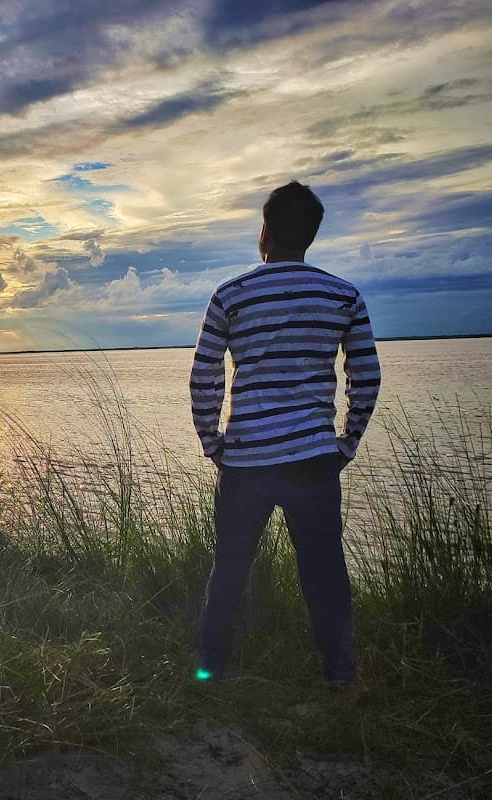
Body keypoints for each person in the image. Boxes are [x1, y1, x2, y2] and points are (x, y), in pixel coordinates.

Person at [189, 180, 381, 687]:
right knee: (325, 572)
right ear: (311, 235)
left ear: (264, 231)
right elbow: (366, 375)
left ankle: (210, 669)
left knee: (229, 569)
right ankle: (341, 674)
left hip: (245, 461)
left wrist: (212, 443)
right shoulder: (343, 295)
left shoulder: (231, 295)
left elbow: (205, 375)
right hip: (314, 460)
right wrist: (346, 443)